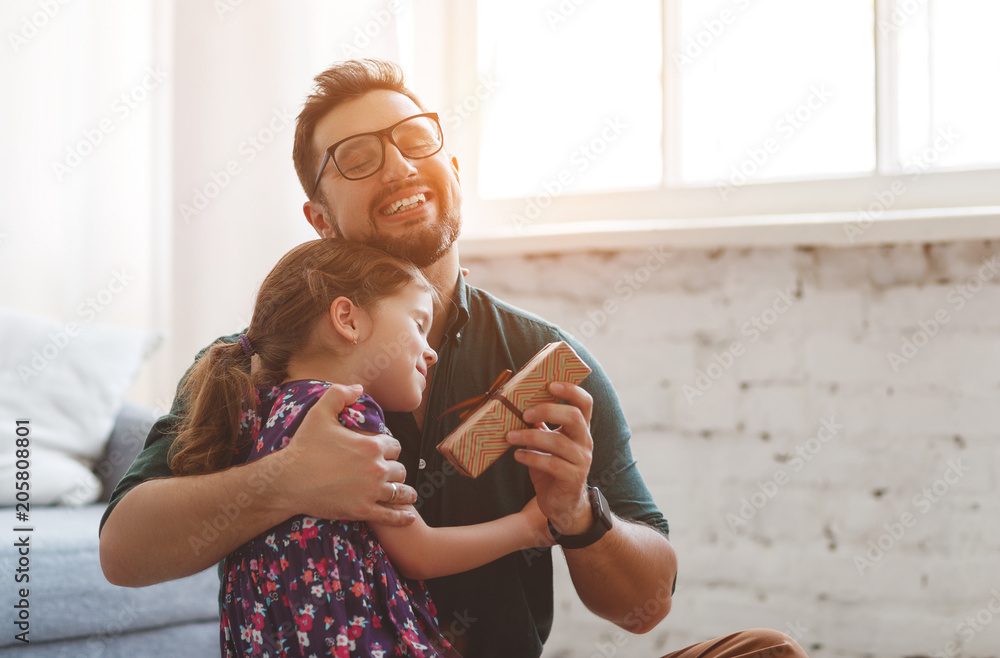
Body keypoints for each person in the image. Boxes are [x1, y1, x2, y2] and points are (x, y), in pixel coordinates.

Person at [100, 59, 808, 657]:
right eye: (357, 157)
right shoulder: (253, 364)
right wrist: (286, 481)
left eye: (415, 140)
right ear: (318, 220)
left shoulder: (544, 361)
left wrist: (576, 513)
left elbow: (644, 609)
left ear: (454, 172)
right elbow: (123, 552)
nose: (399, 165)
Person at [171, 238, 551, 655]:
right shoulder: (345, 414)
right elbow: (418, 553)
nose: (432, 353)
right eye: (418, 324)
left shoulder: (255, 413)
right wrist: (526, 528)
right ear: (347, 319)